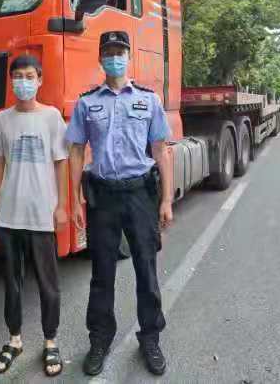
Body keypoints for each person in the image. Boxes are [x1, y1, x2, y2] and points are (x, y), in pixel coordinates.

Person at [65, 31, 174, 376]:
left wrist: (166, 199)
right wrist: (74, 199)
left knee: (146, 269)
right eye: (109, 52)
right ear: (100, 59)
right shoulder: (86, 103)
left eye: (120, 52)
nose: (114, 58)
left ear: (129, 57)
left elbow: (161, 150)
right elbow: (76, 151)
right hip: (103, 197)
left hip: (140, 195)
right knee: (102, 273)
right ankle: (100, 339)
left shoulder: (148, 100)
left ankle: (150, 338)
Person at [0, 54, 69, 377]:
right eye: (18, 76)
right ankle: (15, 340)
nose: (23, 82)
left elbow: (61, 162)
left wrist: (62, 206)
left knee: (49, 284)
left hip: (41, 216)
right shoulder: (1, 120)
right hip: (8, 217)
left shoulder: (51, 117)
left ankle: (51, 342)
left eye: (29, 76)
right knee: (12, 283)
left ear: (40, 80)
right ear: (11, 81)